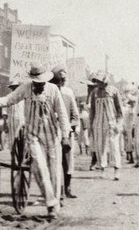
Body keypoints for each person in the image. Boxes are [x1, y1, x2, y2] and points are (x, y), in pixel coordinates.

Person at [0, 62, 70, 220]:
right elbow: (9, 99)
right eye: (36, 82)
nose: (38, 85)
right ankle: (50, 202)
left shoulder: (53, 90)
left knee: (55, 171)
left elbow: (62, 114)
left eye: (41, 82)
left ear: (46, 80)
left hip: (51, 135)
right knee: (38, 167)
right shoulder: (26, 88)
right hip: (33, 135)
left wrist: (65, 136)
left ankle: (54, 206)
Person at [50, 64, 79, 199]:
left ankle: (67, 187)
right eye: (56, 81)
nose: (59, 83)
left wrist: (70, 127)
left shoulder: (68, 92)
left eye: (62, 81)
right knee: (53, 161)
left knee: (67, 162)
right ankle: (56, 190)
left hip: (66, 132)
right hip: (51, 131)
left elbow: (75, 115)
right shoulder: (49, 92)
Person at [89, 70, 123, 180]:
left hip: (111, 122)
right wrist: (91, 125)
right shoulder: (94, 92)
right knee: (100, 146)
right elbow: (92, 111)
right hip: (98, 122)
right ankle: (102, 168)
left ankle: (116, 170)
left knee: (114, 146)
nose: (98, 84)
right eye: (97, 81)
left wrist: (119, 124)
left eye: (100, 81)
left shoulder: (114, 91)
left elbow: (119, 110)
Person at [1, 80, 25, 151]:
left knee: (21, 137)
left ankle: (21, 152)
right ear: (11, 88)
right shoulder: (8, 98)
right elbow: (4, 111)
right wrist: (5, 123)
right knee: (11, 137)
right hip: (11, 120)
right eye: (13, 87)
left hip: (21, 120)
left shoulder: (23, 97)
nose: (14, 89)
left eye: (16, 87)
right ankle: (13, 152)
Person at [123, 92, 136, 164]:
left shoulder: (136, 110)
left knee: (134, 142)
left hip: (135, 127)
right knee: (129, 142)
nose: (132, 104)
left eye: (133, 103)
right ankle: (130, 156)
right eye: (131, 103)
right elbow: (125, 119)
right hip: (129, 127)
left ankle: (134, 157)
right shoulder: (128, 110)